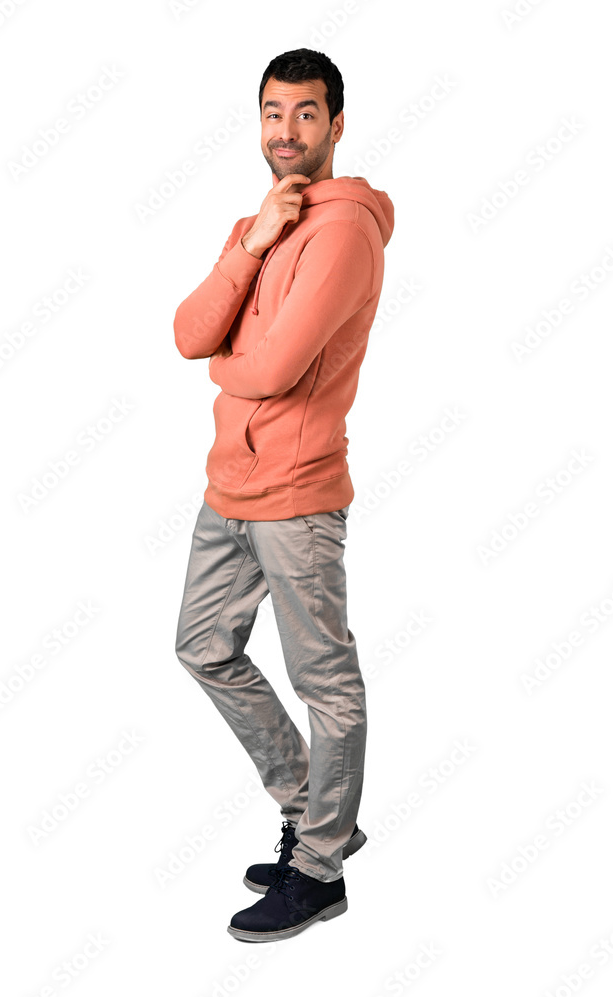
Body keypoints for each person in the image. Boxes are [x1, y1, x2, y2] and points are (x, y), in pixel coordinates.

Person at [173, 47, 394, 942]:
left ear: (335, 124)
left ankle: (320, 867)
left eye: (306, 114)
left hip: (298, 495)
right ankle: (315, 812)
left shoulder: (344, 231)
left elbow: (263, 369)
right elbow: (190, 333)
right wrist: (255, 242)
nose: (287, 132)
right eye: (273, 113)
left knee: (324, 680)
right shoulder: (260, 222)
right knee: (201, 646)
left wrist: (227, 367)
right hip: (229, 485)